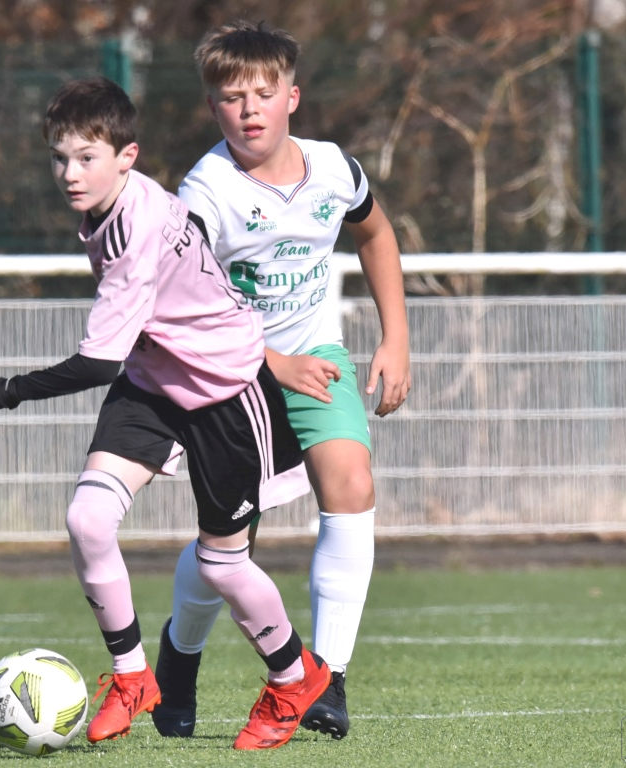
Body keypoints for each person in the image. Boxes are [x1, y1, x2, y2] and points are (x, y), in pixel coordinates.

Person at [0, 76, 331, 751]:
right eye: (59, 158)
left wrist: (4, 390)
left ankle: (293, 678)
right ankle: (133, 677)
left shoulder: (135, 230)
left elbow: (96, 364)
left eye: (87, 158)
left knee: (222, 567)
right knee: (88, 518)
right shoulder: (115, 203)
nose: (70, 174)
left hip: (225, 389)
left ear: (126, 156)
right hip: (155, 383)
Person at [151, 21, 412, 741]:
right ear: (212, 107)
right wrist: (270, 362)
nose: (250, 110)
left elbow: (375, 233)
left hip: (314, 354)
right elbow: (183, 308)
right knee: (228, 543)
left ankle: (327, 679)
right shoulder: (204, 194)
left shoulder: (333, 168)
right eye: (232, 98)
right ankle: (180, 653)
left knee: (351, 482)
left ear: (292, 97)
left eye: (264, 94)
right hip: (226, 374)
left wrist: (395, 337)